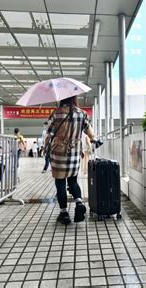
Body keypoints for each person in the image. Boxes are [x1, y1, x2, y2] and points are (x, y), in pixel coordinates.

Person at [45, 95, 101, 224]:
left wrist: (46, 147)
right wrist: (94, 139)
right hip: (74, 152)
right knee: (73, 181)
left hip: (58, 151)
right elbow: (89, 131)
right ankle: (79, 203)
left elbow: (50, 133)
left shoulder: (55, 114)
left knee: (60, 184)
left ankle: (64, 214)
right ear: (74, 98)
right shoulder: (82, 114)